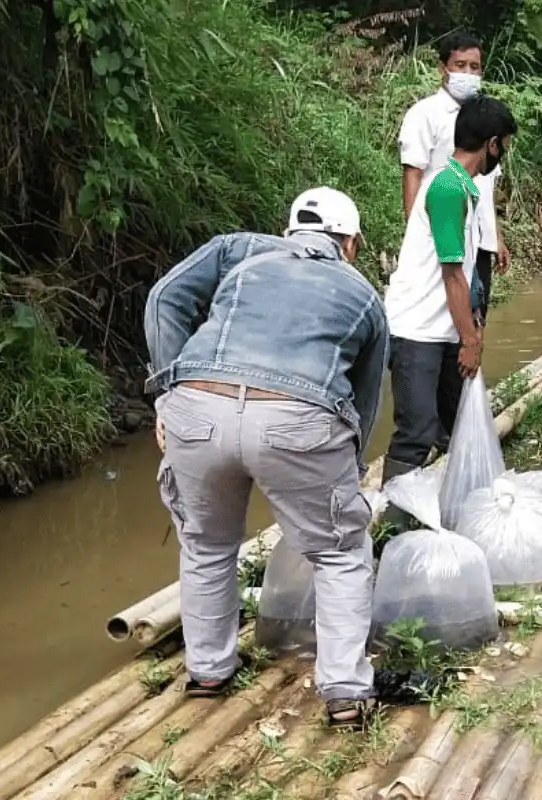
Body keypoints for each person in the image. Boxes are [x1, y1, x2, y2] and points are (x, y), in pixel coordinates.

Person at [144, 187, 388, 730]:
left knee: (206, 544)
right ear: (349, 243)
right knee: (340, 552)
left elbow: (165, 299)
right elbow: (364, 398)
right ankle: (345, 693)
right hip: (298, 417)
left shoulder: (239, 251)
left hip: (198, 407)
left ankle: (208, 671)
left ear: (289, 232)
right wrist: (351, 464)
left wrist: (168, 388)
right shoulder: (363, 293)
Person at [384, 96, 518, 485]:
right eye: (504, 146)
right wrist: (471, 340)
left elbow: (469, 272)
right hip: (417, 328)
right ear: (491, 144)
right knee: (415, 434)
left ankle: (450, 511)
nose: (502, 154)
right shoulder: (447, 189)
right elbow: (452, 273)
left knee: (457, 425)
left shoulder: (466, 188)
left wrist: (469, 327)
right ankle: (391, 531)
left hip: (444, 328)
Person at [398, 31, 509, 324]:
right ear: (442, 68)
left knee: (474, 315)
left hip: (478, 238)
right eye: (460, 65)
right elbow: (413, 175)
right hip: (443, 235)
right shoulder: (425, 114)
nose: (468, 73)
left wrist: (495, 236)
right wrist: (418, 237)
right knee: (438, 317)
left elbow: (487, 184)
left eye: (475, 67)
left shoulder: (485, 116)